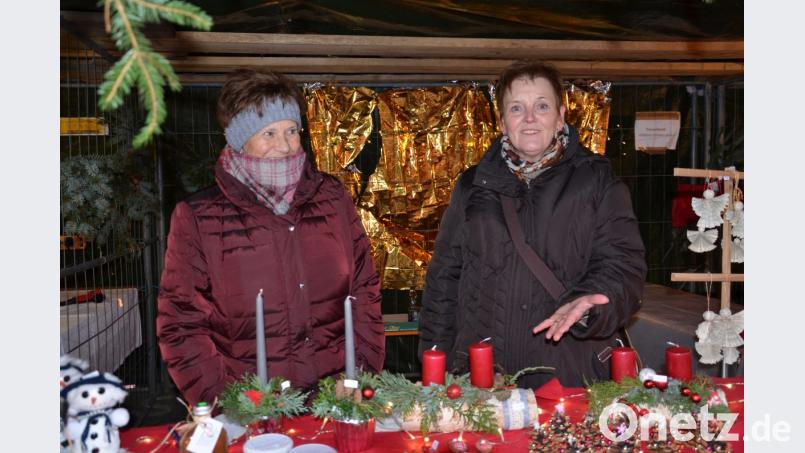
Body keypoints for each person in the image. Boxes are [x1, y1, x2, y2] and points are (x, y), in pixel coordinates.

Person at [157, 69, 385, 404]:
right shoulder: (199, 217)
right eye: (269, 133)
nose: (284, 145)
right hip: (253, 403)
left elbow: (364, 289)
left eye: (292, 130)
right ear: (239, 139)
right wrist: (224, 400)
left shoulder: (332, 197)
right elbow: (181, 322)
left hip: (335, 395)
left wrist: (360, 373)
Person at [418, 60, 646, 388]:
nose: (529, 118)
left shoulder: (596, 181)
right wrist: (435, 364)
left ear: (561, 116)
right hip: (487, 381)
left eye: (541, 106)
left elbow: (623, 265)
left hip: (570, 372)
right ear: (501, 121)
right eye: (516, 108)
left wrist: (589, 305)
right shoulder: (473, 187)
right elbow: (444, 279)